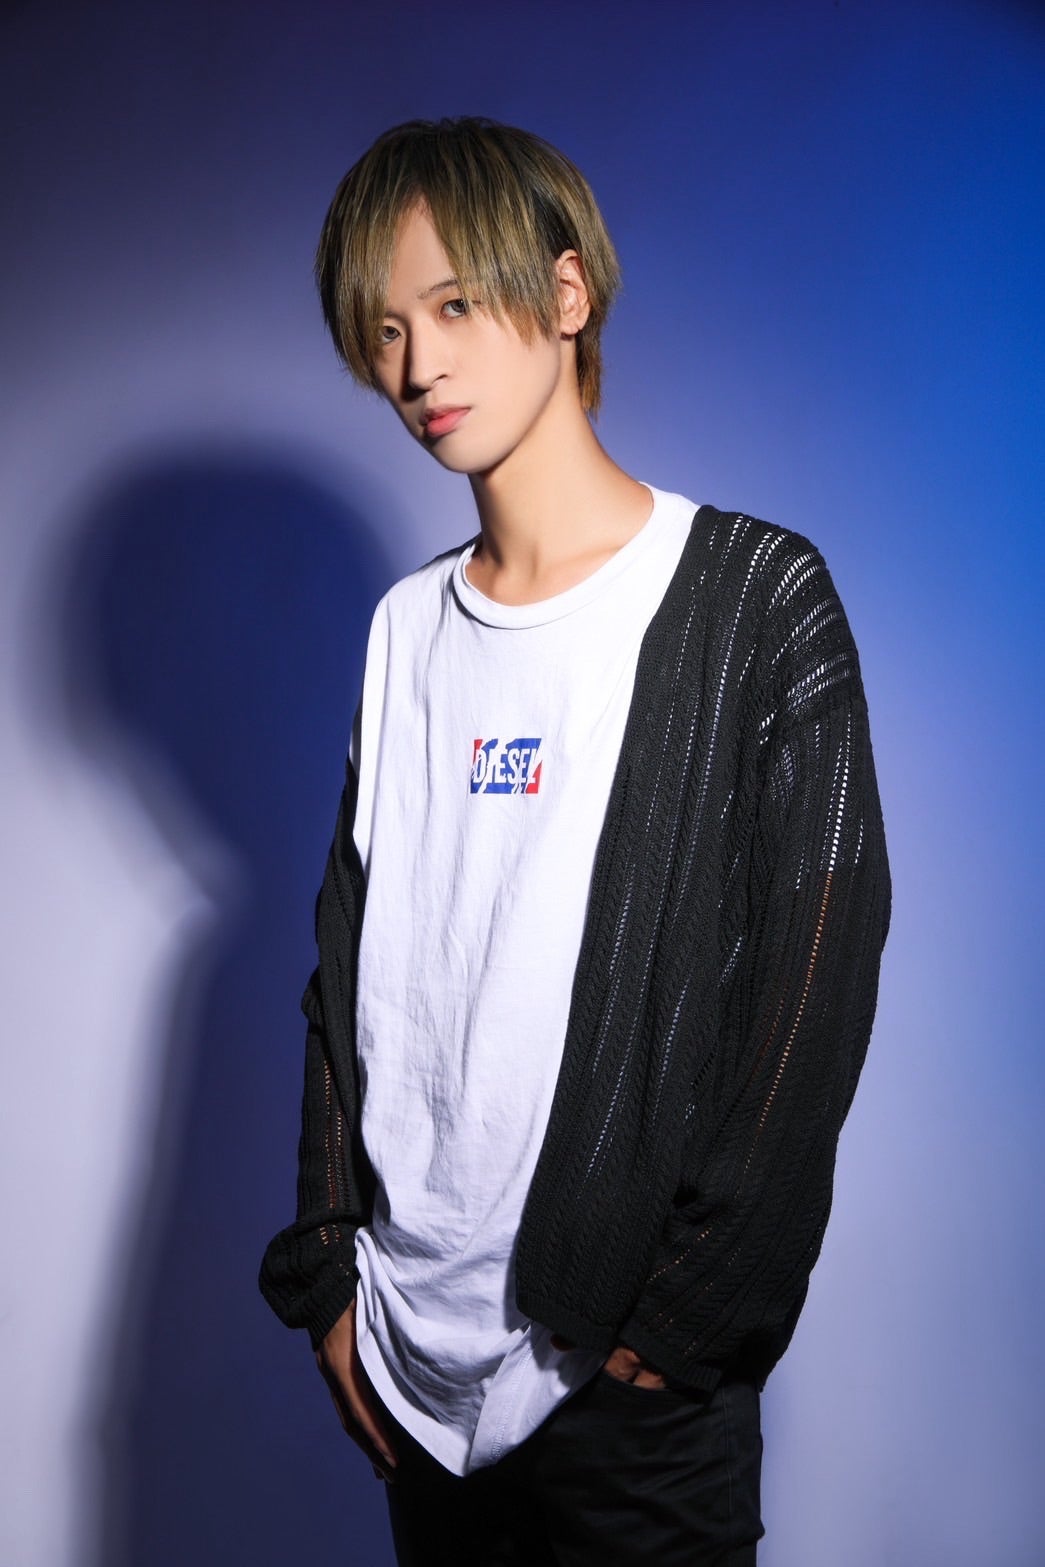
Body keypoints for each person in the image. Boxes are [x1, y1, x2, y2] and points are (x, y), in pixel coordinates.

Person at [259, 116, 890, 1566]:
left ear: (564, 294)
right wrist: (335, 1276)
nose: (415, 367)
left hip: (622, 1376)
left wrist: (681, 1325)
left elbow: (813, 980)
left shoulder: (751, 602)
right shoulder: (406, 630)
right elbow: (347, 973)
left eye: (453, 306)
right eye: (383, 329)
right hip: (411, 1366)